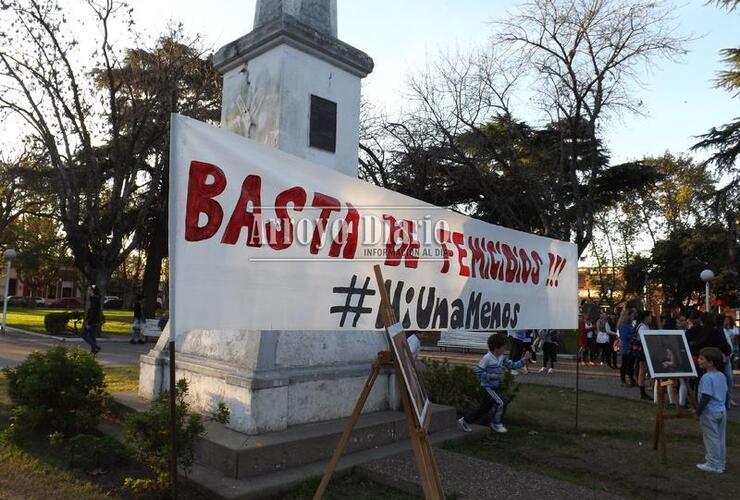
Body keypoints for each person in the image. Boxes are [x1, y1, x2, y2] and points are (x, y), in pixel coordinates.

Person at [458, 334, 531, 434]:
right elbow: (478, 371)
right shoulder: (487, 358)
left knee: (483, 409)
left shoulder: (502, 357)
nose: (505, 349)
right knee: (501, 402)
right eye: (504, 347)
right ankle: (496, 423)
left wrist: (524, 360)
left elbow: (512, 365)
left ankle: (465, 421)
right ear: (497, 348)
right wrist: (490, 376)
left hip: (494, 388)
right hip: (487, 388)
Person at [695, 347, 728, 473]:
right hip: (721, 410)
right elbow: (726, 393)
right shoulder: (721, 376)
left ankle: (712, 463)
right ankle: (720, 463)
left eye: (702, 359)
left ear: (711, 362)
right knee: (720, 437)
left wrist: (698, 412)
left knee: (711, 438)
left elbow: (706, 396)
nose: (699, 360)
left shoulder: (707, 378)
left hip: (710, 412)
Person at [633, 310, 652, 400]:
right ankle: (642, 392)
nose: (651, 318)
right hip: (643, 351)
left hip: (644, 350)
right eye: (650, 316)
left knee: (643, 370)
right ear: (646, 317)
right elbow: (644, 339)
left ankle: (644, 390)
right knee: (642, 371)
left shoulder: (645, 326)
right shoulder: (642, 327)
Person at [618, 308, 636, 387]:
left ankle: (631, 379)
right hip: (625, 346)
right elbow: (624, 336)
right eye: (632, 315)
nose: (633, 316)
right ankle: (623, 380)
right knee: (625, 364)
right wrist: (633, 336)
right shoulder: (622, 325)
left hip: (631, 346)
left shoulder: (630, 324)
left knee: (631, 364)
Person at [81, 285, 102, 354]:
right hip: (95, 321)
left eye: (89, 290)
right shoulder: (97, 299)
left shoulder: (93, 299)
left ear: (92, 291)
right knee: (92, 336)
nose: (88, 291)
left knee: (83, 335)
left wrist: (89, 323)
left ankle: (95, 346)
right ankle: (93, 351)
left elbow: (93, 312)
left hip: (92, 321)